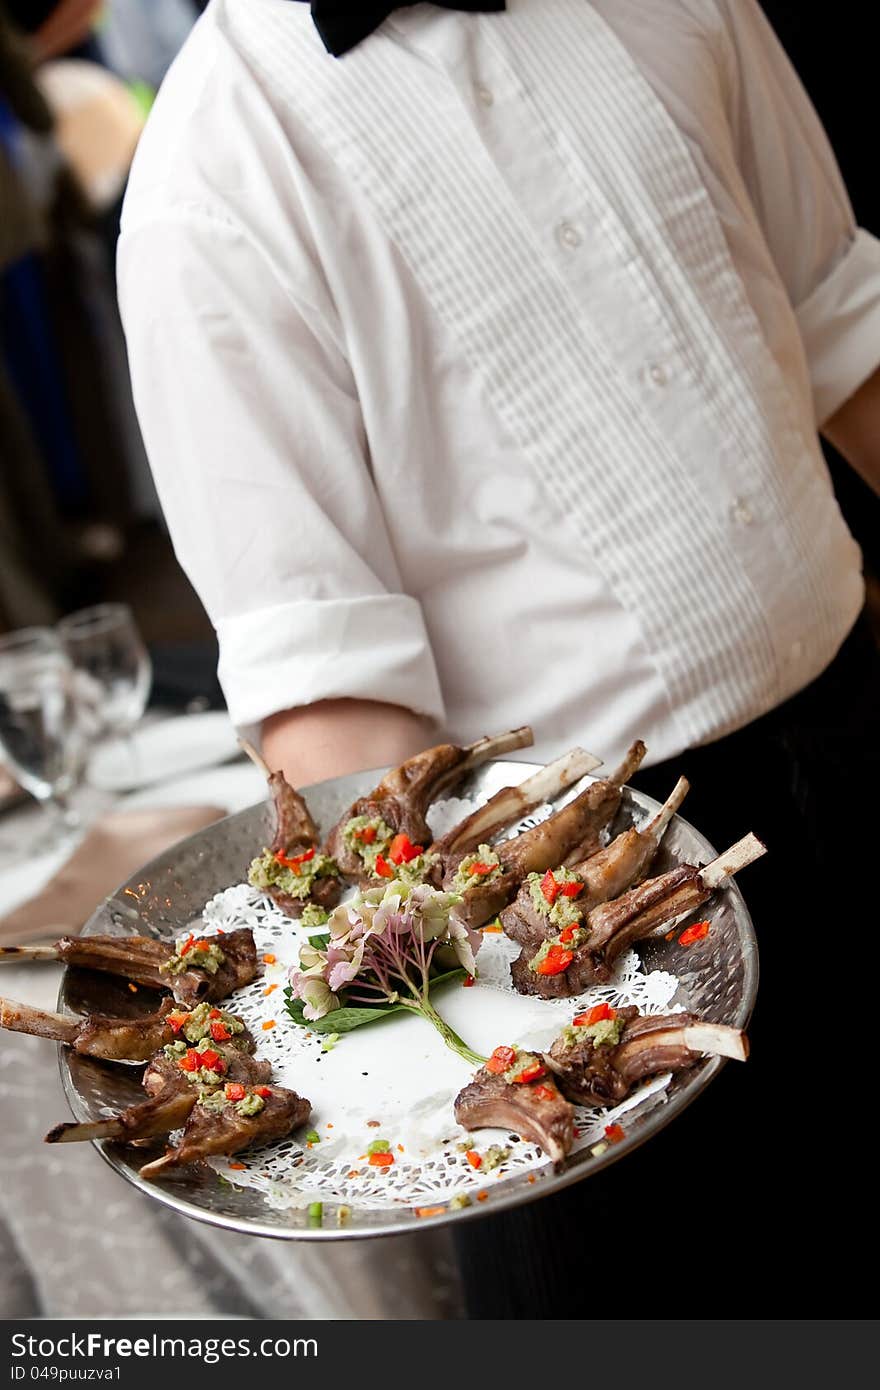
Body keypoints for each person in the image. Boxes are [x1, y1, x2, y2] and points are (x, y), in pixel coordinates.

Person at [118, 1, 880, 1315]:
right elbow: (339, 723)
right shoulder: (212, 169)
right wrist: (486, 1049)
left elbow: (841, 324)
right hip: (566, 935)